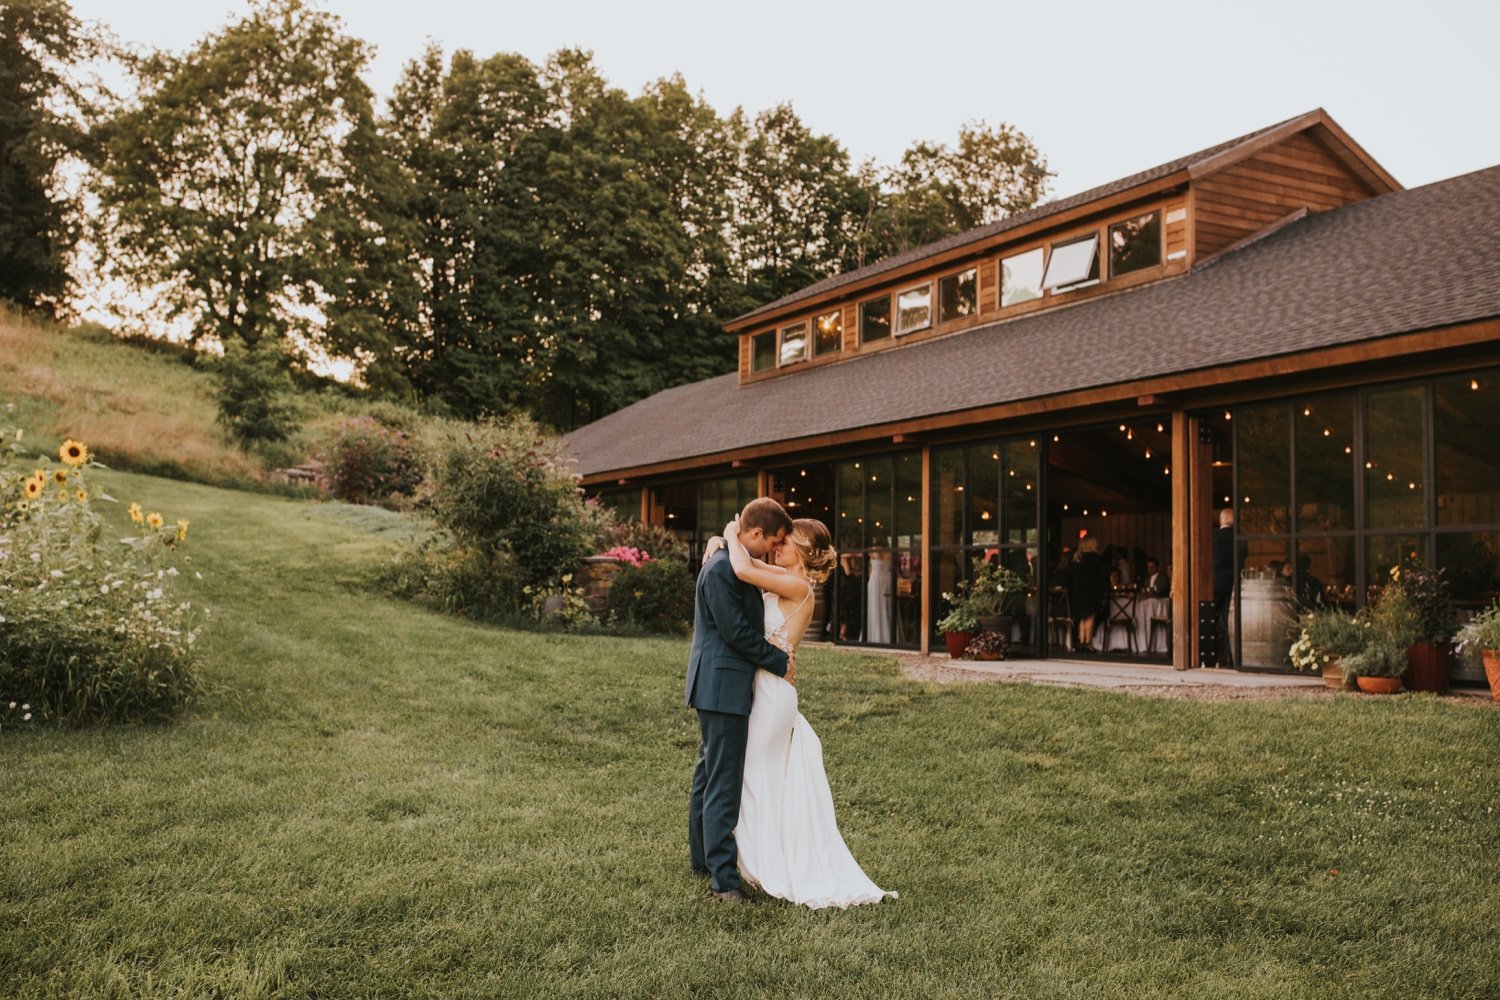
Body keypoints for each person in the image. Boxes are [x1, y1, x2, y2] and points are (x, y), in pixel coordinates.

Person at [709, 515, 895, 909]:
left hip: (774, 692)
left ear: (803, 551)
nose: (777, 546)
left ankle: (764, 862)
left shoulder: (797, 585)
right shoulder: (778, 573)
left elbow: (742, 566)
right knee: (757, 777)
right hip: (763, 685)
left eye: (786, 542)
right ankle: (757, 855)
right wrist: (718, 541)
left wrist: (728, 531)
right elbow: (745, 562)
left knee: (755, 777)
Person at [686, 498, 794, 904]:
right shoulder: (721, 569)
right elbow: (735, 633)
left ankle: (703, 862)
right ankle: (724, 882)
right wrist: (779, 661)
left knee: (708, 775)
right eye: (774, 540)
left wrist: (723, 536)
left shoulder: (729, 558)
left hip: (718, 685)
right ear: (754, 534)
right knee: (722, 783)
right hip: (722, 687)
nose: (774, 548)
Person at [1068, 534, 1108, 652]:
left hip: (1078, 592)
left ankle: (1081, 642)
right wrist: (1105, 591)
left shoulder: (1077, 558)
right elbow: (1103, 576)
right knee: (1090, 616)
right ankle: (1088, 643)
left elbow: (1070, 578)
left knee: (1082, 618)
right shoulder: (1096, 558)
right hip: (1092, 592)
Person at [1211, 508, 1236, 667]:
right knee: (1229, 622)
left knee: (1208, 620)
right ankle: (1229, 657)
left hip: (1213, 583)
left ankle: (1208, 656)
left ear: (1221, 520)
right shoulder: (1238, 538)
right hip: (1230, 584)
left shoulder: (1212, 538)